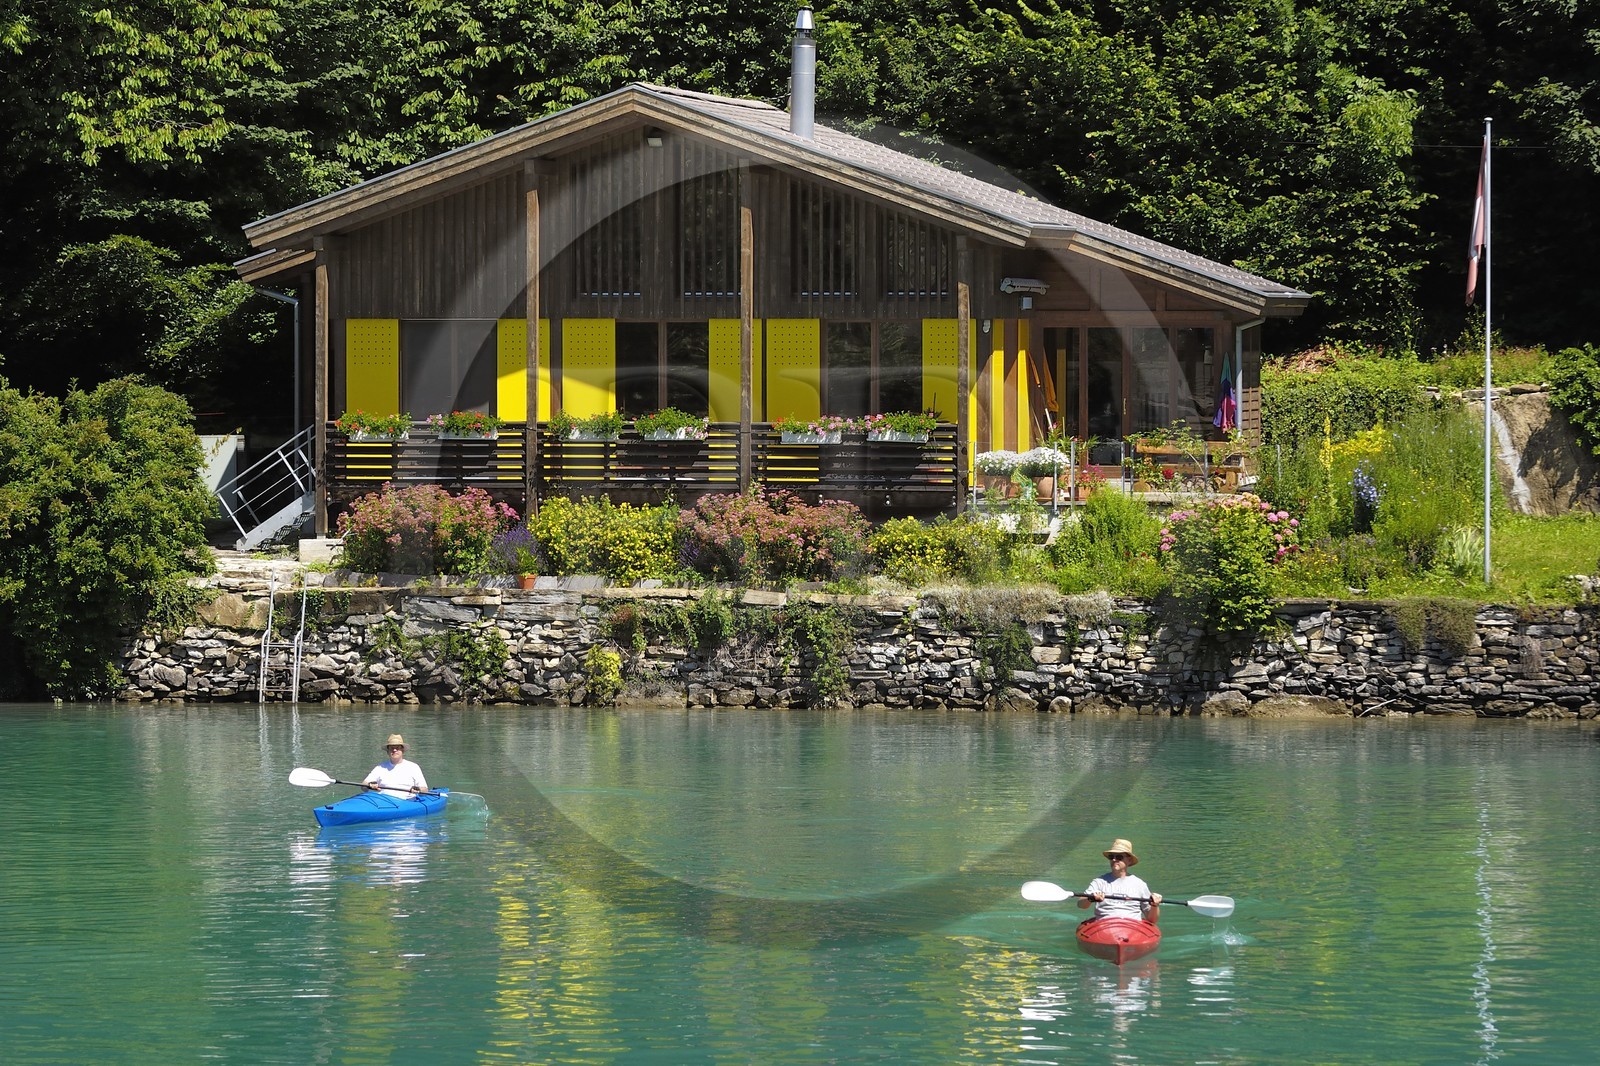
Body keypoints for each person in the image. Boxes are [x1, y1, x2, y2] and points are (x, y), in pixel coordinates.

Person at [1078, 838, 1162, 925]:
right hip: (1104, 926)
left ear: (1129, 860)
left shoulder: (1140, 884)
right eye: (1111, 857)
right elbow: (1080, 905)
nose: (1114, 860)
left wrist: (1154, 905)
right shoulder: (1099, 882)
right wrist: (1090, 898)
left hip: (1132, 928)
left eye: (1119, 857)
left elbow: (1152, 920)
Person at [363, 734, 430, 797]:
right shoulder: (380, 767)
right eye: (391, 748)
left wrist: (418, 790)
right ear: (387, 751)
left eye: (397, 748)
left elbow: (425, 790)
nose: (394, 750)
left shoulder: (413, 767)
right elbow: (363, 785)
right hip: (384, 801)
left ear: (402, 750)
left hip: (407, 801)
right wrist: (369, 785)